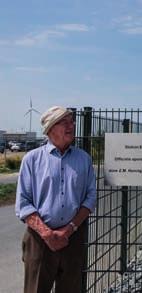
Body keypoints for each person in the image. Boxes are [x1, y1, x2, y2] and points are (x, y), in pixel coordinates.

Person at [15, 106, 96, 293]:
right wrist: (47, 234)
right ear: (50, 128)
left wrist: (68, 230)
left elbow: (90, 198)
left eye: (72, 121)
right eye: (64, 122)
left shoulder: (84, 159)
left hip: (72, 239)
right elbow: (23, 203)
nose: (71, 125)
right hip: (39, 240)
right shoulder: (31, 160)